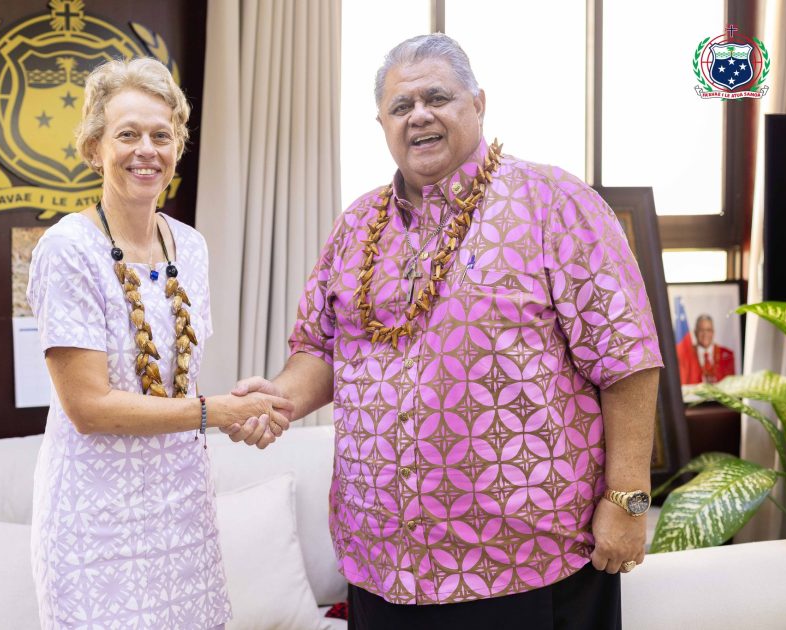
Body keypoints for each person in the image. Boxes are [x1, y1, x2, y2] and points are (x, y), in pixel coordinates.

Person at [226, 34, 662, 629]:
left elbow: (627, 358)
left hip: (527, 564)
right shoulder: (356, 225)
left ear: (478, 104)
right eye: (401, 106)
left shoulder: (555, 203)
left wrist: (628, 501)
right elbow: (321, 350)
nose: (420, 115)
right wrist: (278, 398)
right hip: (382, 566)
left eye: (438, 97)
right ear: (381, 122)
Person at [26, 57, 292, 629]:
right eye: (127, 134)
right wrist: (218, 411)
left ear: (177, 149)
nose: (146, 149)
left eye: (161, 135)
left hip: (182, 512)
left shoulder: (190, 247)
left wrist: (244, 405)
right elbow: (89, 408)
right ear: (94, 147)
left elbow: (180, 384)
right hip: (93, 523)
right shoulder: (66, 250)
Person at [676, 314, 736, 384]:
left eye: (708, 330)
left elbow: (731, 385)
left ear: (713, 332)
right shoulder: (684, 356)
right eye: (701, 330)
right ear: (695, 332)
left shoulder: (727, 355)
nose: (705, 334)